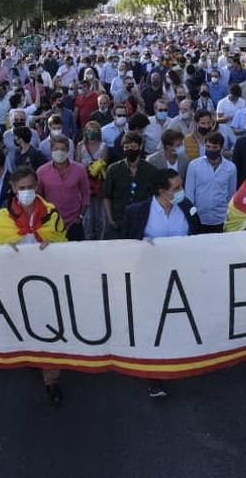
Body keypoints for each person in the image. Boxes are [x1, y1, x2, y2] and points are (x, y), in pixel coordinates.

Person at [0, 167, 68, 404]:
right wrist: (5, 250)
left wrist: (52, 245)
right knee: (27, 323)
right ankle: (32, 355)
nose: (27, 192)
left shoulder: (51, 212)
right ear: (13, 190)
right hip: (17, 284)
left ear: (37, 186)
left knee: (50, 327)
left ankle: (51, 379)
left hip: (47, 283)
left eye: (30, 187)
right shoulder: (3, 218)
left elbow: (64, 243)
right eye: (22, 188)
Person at [122, 168, 200, 399]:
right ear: (161, 191)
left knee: (176, 321)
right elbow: (126, 245)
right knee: (152, 326)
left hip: (181, 277)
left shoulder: (187, 208)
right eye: (175, 188)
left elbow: (199, 239)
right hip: (150, 279)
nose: (181, 191)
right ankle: (153, 376)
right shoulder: (137, 212)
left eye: (181, 186)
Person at [102, 132, 159, 238]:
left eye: (133, 147)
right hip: (118, 219)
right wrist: (110, 219)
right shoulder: (113, 169)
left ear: (140, 146)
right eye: (126, 147)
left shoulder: (151, 170)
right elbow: (107, 196)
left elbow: (155, 197)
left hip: (142, 220)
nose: (130, 150)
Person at [36, 137, 91, 241]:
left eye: (63, 149)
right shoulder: (41, 172)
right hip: (51, 223)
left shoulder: (80, 169)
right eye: (56, 149)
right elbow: (38, 197)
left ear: (68, 150)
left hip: (74, 223)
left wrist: (80, 217)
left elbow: (85, 195)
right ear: (51, 150)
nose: (59, 152)